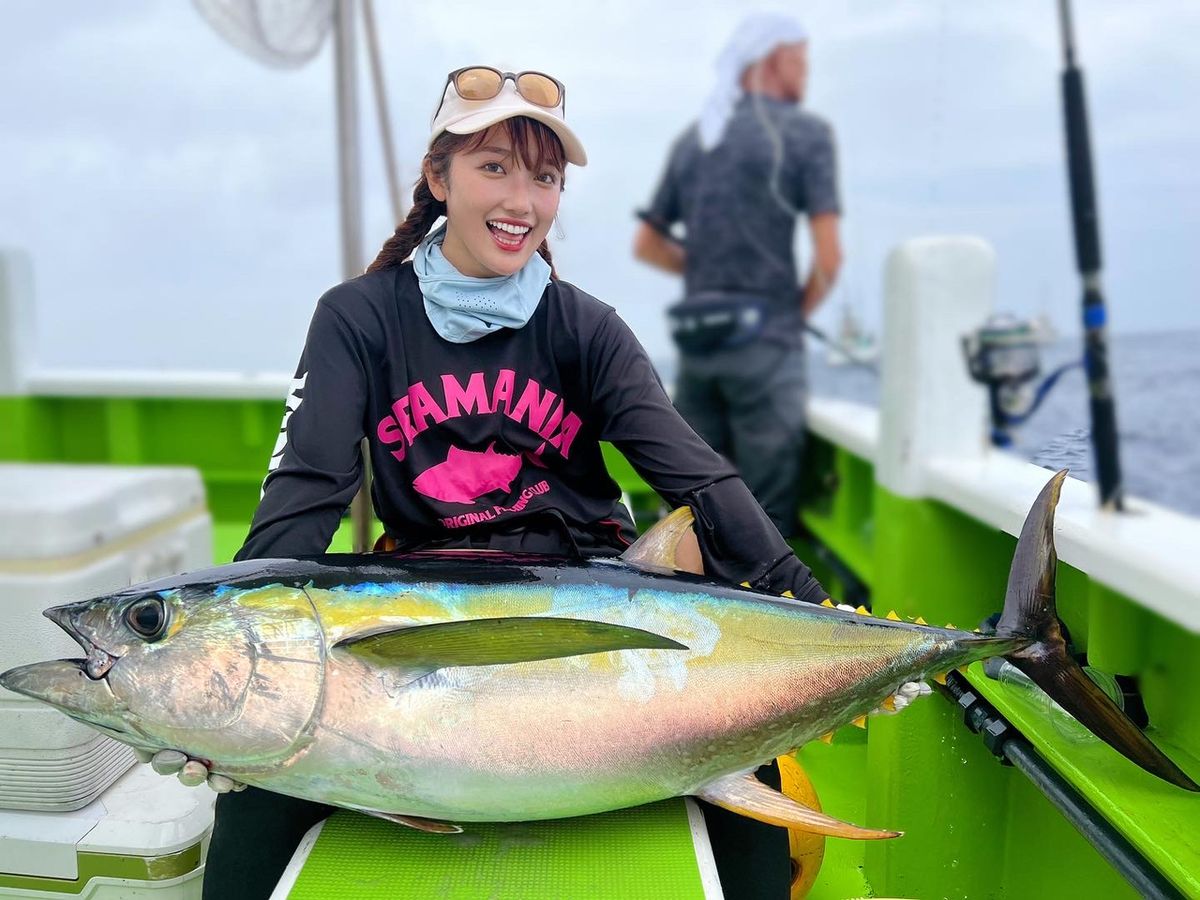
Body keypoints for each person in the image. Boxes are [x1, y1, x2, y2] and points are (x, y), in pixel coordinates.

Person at [166, 65, 830, 899]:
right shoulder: (361, 317)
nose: (522, 200)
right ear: (438, 177)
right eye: (494, 167)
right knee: (251, 822)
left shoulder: (585, 326)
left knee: (752, 820)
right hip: (426, 613)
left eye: (544, 177)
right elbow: (301, 500)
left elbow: (696, 475)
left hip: (592, 604)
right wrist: (228, 670)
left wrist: (811, 608)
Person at [633, 14, 843, 537]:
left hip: (701, 348)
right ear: (772, 60)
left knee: (691, 506)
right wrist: (792, 312)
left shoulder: (693, 140)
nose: (806, 75)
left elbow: (648, 244)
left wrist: (703, 270)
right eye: (801, 61)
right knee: (764, 516)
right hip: (767, 348)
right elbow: (829, 259)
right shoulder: (806, 135)